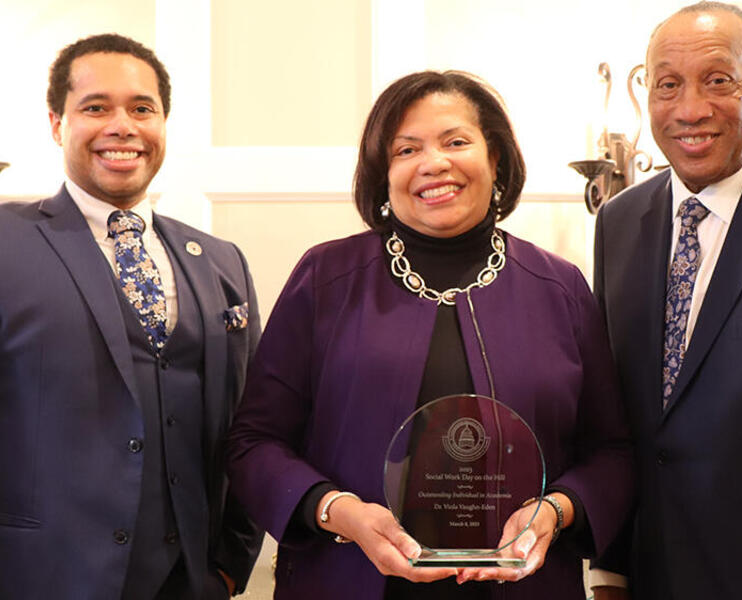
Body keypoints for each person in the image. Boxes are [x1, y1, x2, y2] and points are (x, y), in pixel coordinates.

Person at [227, 70, 633, 599]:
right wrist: (339, 512)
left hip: (524, 585)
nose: (433, 163)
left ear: (497, 161)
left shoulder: (560, 288)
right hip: (346, 579)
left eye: (456, 141)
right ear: (383, 175)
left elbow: (611, 452)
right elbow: (254, 443)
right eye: (405, 149)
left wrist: (555, 512)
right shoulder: (325, 278)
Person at [0, 34, 262, 599]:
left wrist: (231, 561)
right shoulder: (5, 241)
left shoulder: (221, 262)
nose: (123, 125)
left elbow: (251, 422)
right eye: (96, 107)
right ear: (56, 124)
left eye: (142, 108)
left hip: (192, 579)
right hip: (41, 577)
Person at [591, 2, 742, 599]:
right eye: (667, 85)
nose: (690, 109)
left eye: (718, 81)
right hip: (651, 575)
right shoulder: (618, 221)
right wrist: (609, 570)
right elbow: (616, 418)